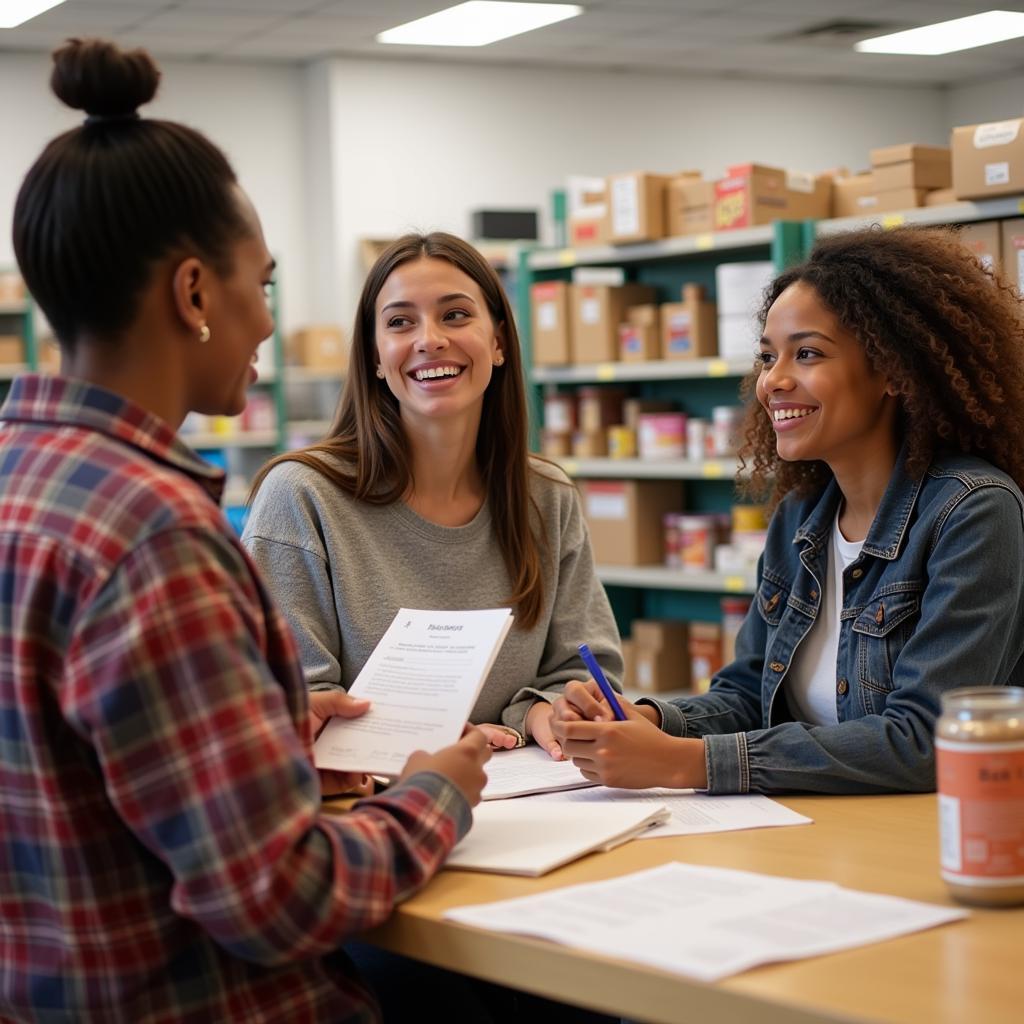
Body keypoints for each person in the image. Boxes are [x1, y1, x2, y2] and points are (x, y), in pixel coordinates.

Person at [0, 38, 491, 1024]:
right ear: (193, 294)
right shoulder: (153, 532)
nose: (266, 323)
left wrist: (260, 734)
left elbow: (77, 768)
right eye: (259, 285)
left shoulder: (25, 478)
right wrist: (437, 792)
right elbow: (279, 896)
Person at [552, 226, 1024, 795]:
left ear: (894, 372)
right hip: (820, 828)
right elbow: (749, 691)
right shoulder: (802, 516)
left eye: (807, 353)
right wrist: (647, 721)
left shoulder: (973, 513)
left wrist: (689, 762)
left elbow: (925, 739)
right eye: (768, 357)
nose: (772, 381)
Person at [242, 232, 622, 759]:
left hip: (533, 800)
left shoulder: (547, 498)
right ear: (376, 357)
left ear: (499, 342)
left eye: (456, 315)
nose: (430, 339)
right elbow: (286, 707)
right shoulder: (303, 498)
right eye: (400, 322)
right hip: (368, 815)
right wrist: (430, 737)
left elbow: (583, 670)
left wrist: (546, 710)